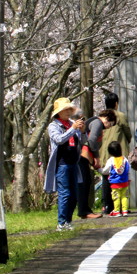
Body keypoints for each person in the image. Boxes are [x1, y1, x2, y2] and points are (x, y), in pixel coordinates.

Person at [45, 98, 85, 231]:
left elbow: (81, 141)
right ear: (58, 112)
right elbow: (59, 140)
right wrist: (73, 129)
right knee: (65, 193)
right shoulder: (54, 126)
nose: (68, 112)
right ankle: (61, 223)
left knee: (74, 194)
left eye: (69, 109)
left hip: (74, 163)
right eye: (65, 110)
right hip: (62, 164)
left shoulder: (71, 124)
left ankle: (68, 221)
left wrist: (82, 130)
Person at [77, 109, 116, 220]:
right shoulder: (98, 123)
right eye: (111, 124)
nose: (109, 127)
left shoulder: (94, 122)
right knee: (84, 182)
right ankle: (84, 211)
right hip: (83, 155)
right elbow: (92, 140)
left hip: (83, 155)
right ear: (107, 119)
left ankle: (85, 210)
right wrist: (97, 157)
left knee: (86, 182)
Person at [99, 92, 131, 215]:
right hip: (118, 150)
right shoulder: (120, 115)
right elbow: (127, 132)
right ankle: (123, 207)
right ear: (116, 103)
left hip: (104, 150)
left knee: (107, 177)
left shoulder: (101, 116)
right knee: (122, 177)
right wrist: (127, 140)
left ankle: (107, 205)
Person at [100, 140, 131, 216]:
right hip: (124, 182)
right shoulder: (125, 159)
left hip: (115, 183)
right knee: (124, 197)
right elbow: (128, 170)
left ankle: (116, 211)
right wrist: (129, 179)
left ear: (110, 152)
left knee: (116, 197)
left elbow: (105, 171)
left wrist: (98, 169)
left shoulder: (111, 160)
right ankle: (125, 210)